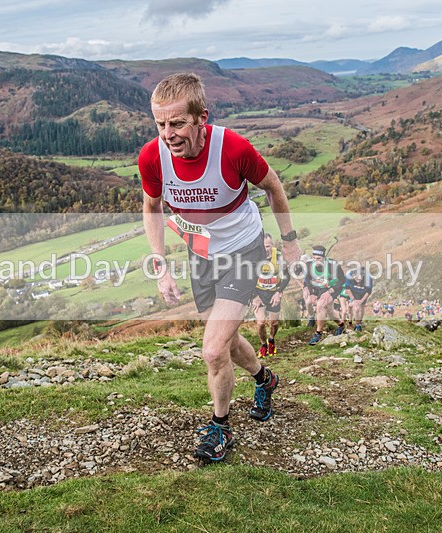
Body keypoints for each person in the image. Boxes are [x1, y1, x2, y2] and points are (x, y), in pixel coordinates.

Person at [139, 73, 301, 462]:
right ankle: (265, 379)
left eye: (177, 123)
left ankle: (220, 428)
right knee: (225, 340)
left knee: (212, 350)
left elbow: (274, 187)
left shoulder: (233, 148)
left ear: (201, 118)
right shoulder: (152, 157)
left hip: (244, 252)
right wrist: (161, 266)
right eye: (160, 124)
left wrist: (290, 243)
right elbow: (151, 207)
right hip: (202, 255)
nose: (168, 134)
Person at [252, 233, 290, 357]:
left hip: (274, 292)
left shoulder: (279, 256)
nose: (266, 249)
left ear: (272, 245)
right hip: (259, 292)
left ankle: (271, 339)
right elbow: (247, 279)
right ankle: (263, 344)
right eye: (263, 246)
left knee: (274, 323)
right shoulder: (254, 257)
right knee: (261, 322)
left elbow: (286, 277)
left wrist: (279, 293)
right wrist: (254, 297)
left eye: (268, 246)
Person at [303, 245, 346, 344]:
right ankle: (341, 324)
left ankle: (318, 333)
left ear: (324, 258)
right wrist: (312, 293)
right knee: (330, 311)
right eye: (314, 258)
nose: (316, 261)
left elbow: (342, 280)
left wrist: (331, 290)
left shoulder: (333, 265)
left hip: (332, 287)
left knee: (320, 306)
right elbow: (308, 279)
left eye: (319, 259)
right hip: (318, 287)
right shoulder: (309, 264)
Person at [341, 267, 373, 332]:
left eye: (360, 277)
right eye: (356, 277)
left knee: (361, 307)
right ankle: (357, 324)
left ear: (363, 275)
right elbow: (347, 289)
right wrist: (353, 299)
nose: (358, 279)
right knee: (356, 307)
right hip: (354, 292)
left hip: (364, 292)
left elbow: (369, 292)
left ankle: (360, 321)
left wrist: (362, 300)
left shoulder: (368, 278)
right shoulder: (349, 276)